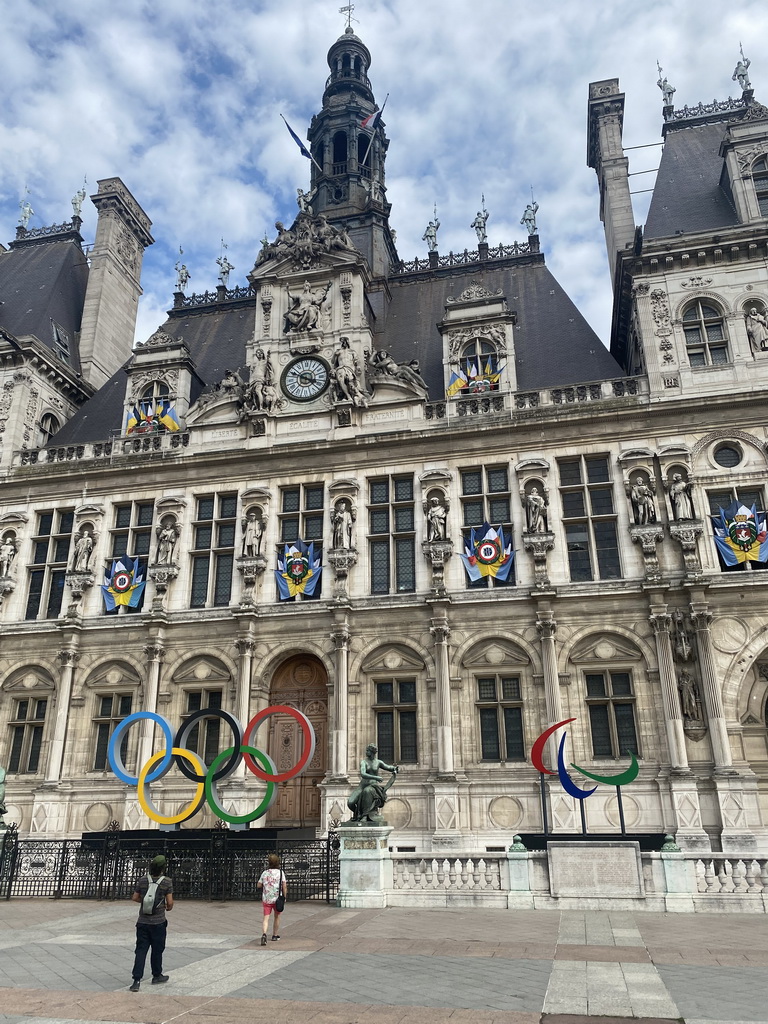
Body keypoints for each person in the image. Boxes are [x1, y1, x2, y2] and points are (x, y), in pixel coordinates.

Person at [130, 854, 173, 991]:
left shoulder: (143, 880)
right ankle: (157, 975)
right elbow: (170, 903)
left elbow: (135, 897)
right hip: (158, 922)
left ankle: (136, 980)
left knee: (141, 950)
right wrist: (165, 906)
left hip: (142, 921)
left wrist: (145, 902)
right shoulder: (166, 881)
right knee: (157, 950)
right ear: (163, 868)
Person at [347, 744, 399, 823]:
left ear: (372, 752)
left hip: (373, 786)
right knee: (350, 802)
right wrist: (376, 777)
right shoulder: (364, 762)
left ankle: (364, 815)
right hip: (362, 785)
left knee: (367, 791)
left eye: (368, 750)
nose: (366, 752)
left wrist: (395, 769)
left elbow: (388, 767)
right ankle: (358, 814)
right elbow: (363, 774)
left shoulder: (378, 762)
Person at [257, 852, 286, 945]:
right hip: (277, 898)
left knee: (266, 918)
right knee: (277, 917)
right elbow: (284, 886)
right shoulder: (281, 873)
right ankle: (275, 935)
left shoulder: (265, 873)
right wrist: (284, 896)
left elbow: (259, 885)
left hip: (266, 898)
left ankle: (264, 934)